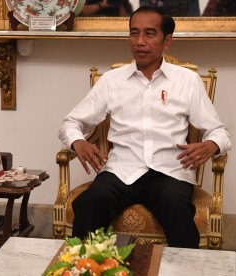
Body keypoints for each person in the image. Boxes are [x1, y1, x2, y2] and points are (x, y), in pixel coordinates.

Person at [59, 6, 231, 248]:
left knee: (176, 206)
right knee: (92, 201)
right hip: (122, 170)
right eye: (134, 33)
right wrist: (77, 141)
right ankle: (81, 267)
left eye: (149, 34)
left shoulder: (187, 81)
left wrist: (212, 144)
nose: (139, 41)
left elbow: (219, 132)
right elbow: (71, 123)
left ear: (167, 41)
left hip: (170, 171)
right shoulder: (111, 81)